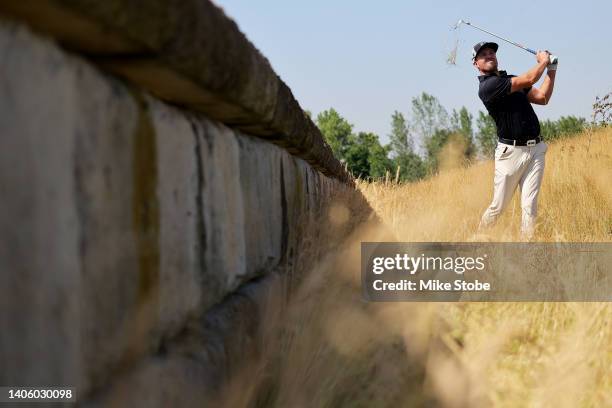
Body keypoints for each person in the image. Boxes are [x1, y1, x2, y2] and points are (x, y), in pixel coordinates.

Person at [473, 41, 557, 239]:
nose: (489, 56)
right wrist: (543, 61)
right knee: (498, 207)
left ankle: (527, 253)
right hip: (510, 153)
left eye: (491, 52)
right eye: (483, 55)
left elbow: (543, 98)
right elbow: (529, 78)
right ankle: (477, 243)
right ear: (476, 64)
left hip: (536, 149)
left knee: (529, 206)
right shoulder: (488, 86)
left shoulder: (510, 79)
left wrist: (551, 69)